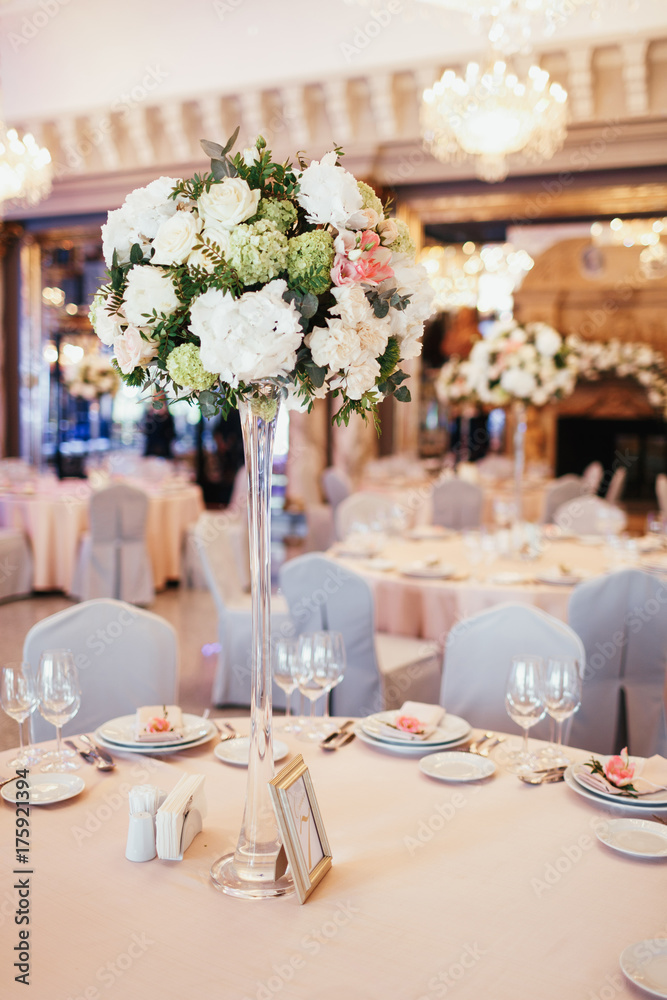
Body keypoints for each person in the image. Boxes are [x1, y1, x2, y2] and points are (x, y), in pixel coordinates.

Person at [142, 392, 176, 459]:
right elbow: (147, 430)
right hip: (151, 448)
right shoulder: (149, 413)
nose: (158, 398)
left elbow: (171, 433)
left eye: (160, 396)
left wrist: (163, 415)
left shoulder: (168, 415)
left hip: (164, 450)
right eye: (156, 396)